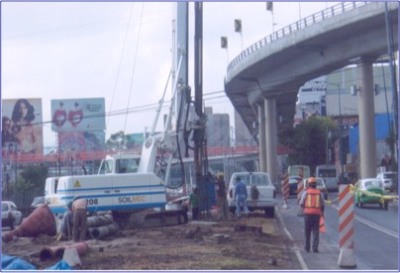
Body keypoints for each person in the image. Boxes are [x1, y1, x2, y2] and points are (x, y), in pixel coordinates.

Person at [299, 177, 325, 253]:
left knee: (307, 231)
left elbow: (301, 203)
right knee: (316, 232)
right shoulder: (319, 193)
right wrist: (322, 213)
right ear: (315, 185)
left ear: (309, 185)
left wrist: (304, 209)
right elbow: (323, 204)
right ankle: (315, 248)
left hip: (307, 215)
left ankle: (307, 248)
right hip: (317, 215)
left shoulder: (306, 192)